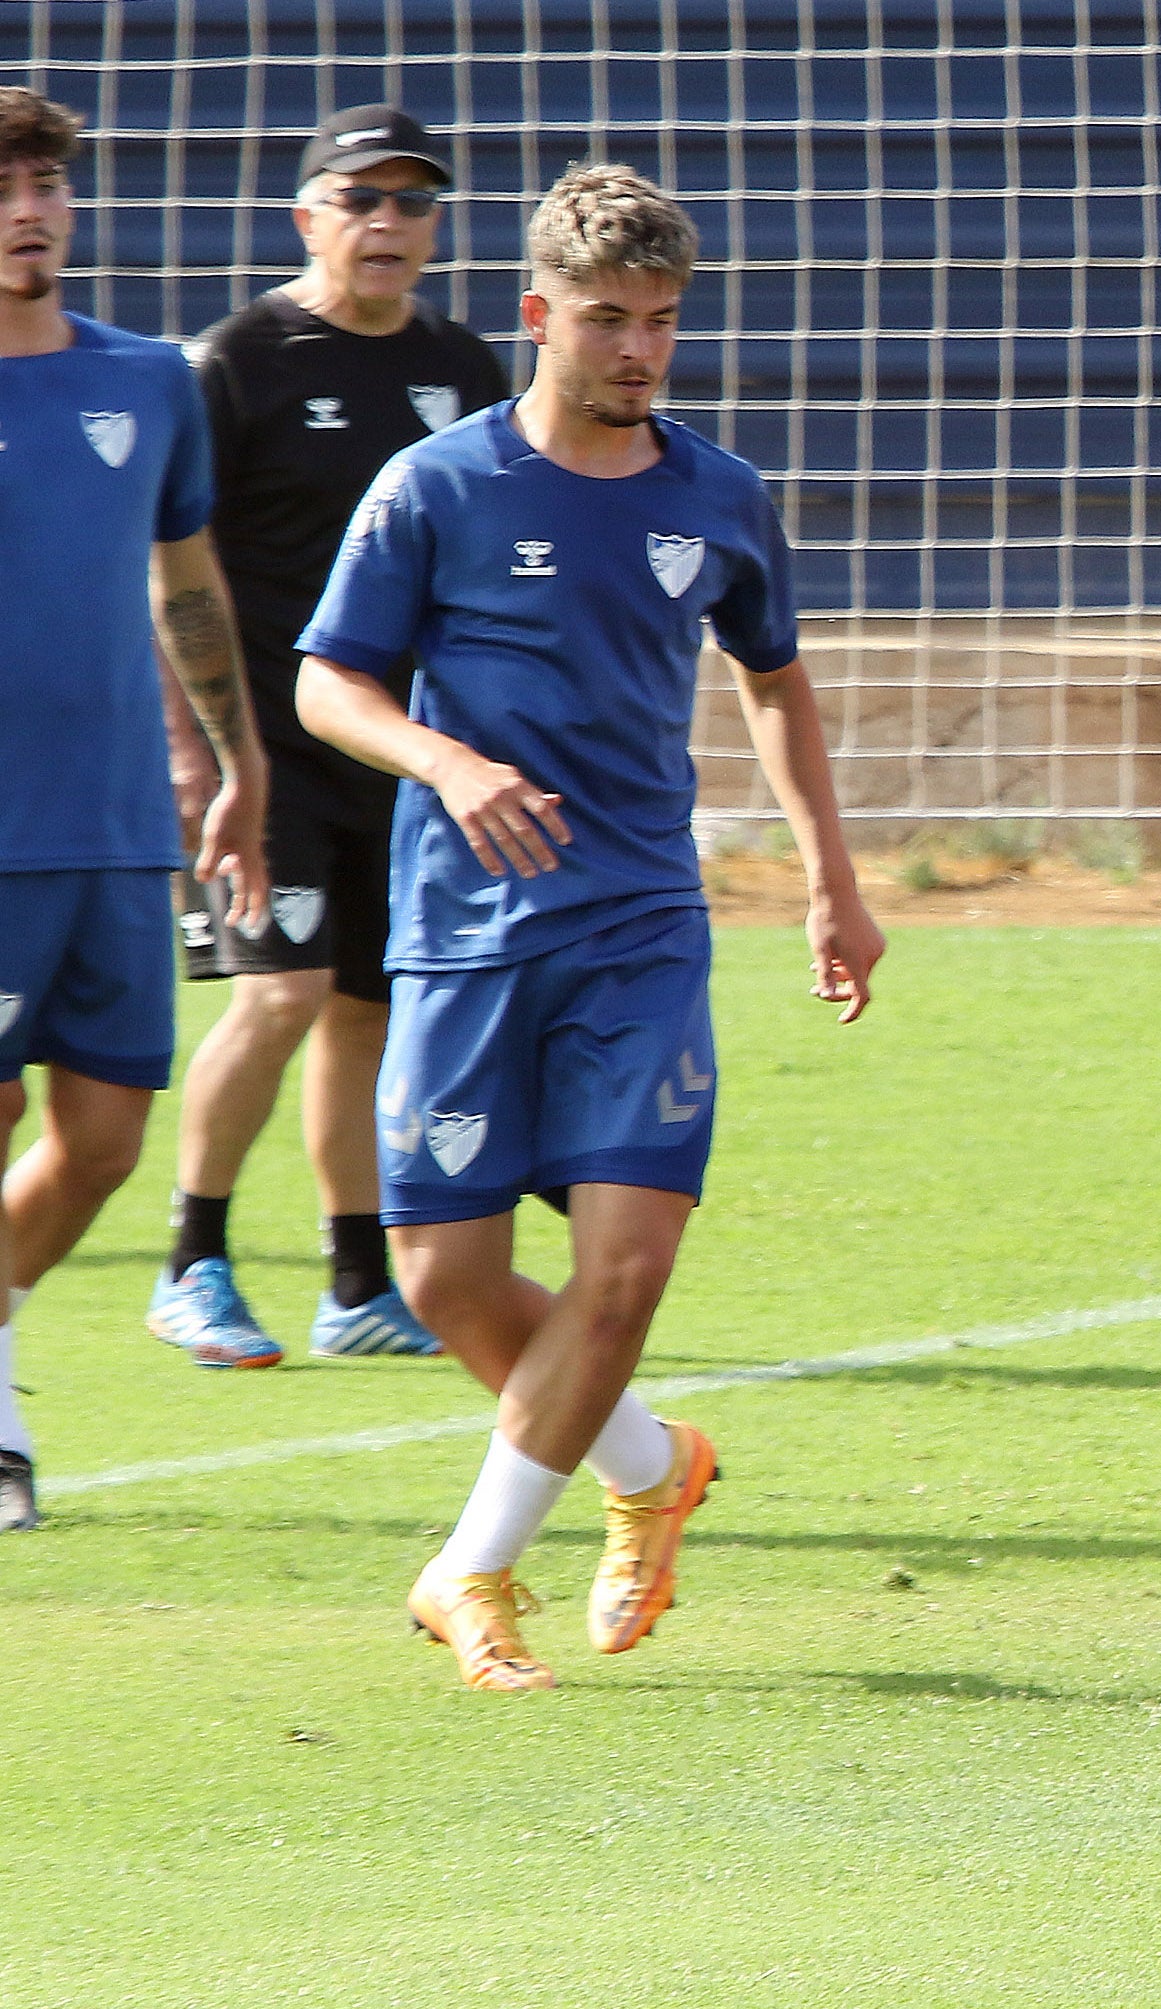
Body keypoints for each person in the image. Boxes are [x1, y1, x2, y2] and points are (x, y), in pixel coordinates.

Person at [293, 165, 883, 1687]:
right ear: (539, 316)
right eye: (609, 320)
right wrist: (449, 759)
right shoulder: (440, 487)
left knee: (625, 1268)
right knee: (442, 1282)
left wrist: (831, 873)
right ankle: (647, 1463)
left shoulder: (716, 495)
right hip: (461, 930)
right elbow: (329, 682)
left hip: (637, 926)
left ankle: (471, 1570)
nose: (639, 350)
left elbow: (772, 679)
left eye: (664, 322)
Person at [150, 104, 513, 1369]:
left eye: (413, 204)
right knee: (281, 992)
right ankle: (193, 1258)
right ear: (309, 216)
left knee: (366, 1008)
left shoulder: (463, 370)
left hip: (390, 747)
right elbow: (170, 564)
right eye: (364, 200)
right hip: (264, 751)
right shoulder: (234, 363)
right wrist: (199, 755)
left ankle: (357, 1281)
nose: (389, 224)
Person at [0, 88, 270, 1532]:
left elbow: (184, 578)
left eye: (44, 177)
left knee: (104, 1136)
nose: (28, 205)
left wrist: (234, 759)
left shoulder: (148, 379)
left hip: (114, 832)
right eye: (4, 183)